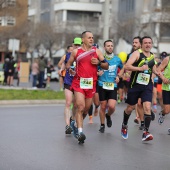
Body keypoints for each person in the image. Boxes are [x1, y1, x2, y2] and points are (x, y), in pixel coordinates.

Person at [66, 31, 109, 143]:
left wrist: (99, 63)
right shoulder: (76, 52)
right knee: (80, 106)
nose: (91, 39)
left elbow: (106, 66)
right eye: (89, 38)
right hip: (78, 83)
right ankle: (80, 132)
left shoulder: (96, 51)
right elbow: (68, 64)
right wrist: (70, 69)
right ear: (83, 39)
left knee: (85, 110)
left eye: (92, 37)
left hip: (91, 84)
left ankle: (75, 124)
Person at [121, 36, 157, 141]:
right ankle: (124, 125)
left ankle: (146, 132)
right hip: (135, 85)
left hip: (147, 85)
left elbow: (154, 69)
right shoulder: (136, 54)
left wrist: (162, 76)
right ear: (141, 44)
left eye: (150, 43)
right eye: (145, 43)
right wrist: (140, 68)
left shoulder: (152, 56)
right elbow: (127, 66)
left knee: (147, 107)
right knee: (130, 108)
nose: (148, 45)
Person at [98, 40, 123, 133]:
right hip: (102, 84)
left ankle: (108, 115)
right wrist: (97, 73)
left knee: (112, 106)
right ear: (104, 47)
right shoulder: (100, 58)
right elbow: (94, 70)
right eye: (108, 46)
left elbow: (123, 69)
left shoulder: (117, 59)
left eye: (111, 46)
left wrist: (118, 76)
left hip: (113, 85)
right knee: (103, 106)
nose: (110, 47)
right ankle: (102, 124)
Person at [59, 38, 81, 135]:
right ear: (72, 45)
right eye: (75, 45)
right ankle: (67, 126)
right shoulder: (68, 55)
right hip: (68, 81)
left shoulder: (83, 56)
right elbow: (64, 64)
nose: (77, 46)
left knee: (76, 104)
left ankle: (72, 120)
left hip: (78, 83)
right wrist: (61, 69)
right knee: (68, 103)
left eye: (78, 45)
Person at [157, 54, 170, 129]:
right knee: (167, 110)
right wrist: (163, 78)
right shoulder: (167, 60)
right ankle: (162, 113)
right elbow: (158, 70)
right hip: (167, 88)